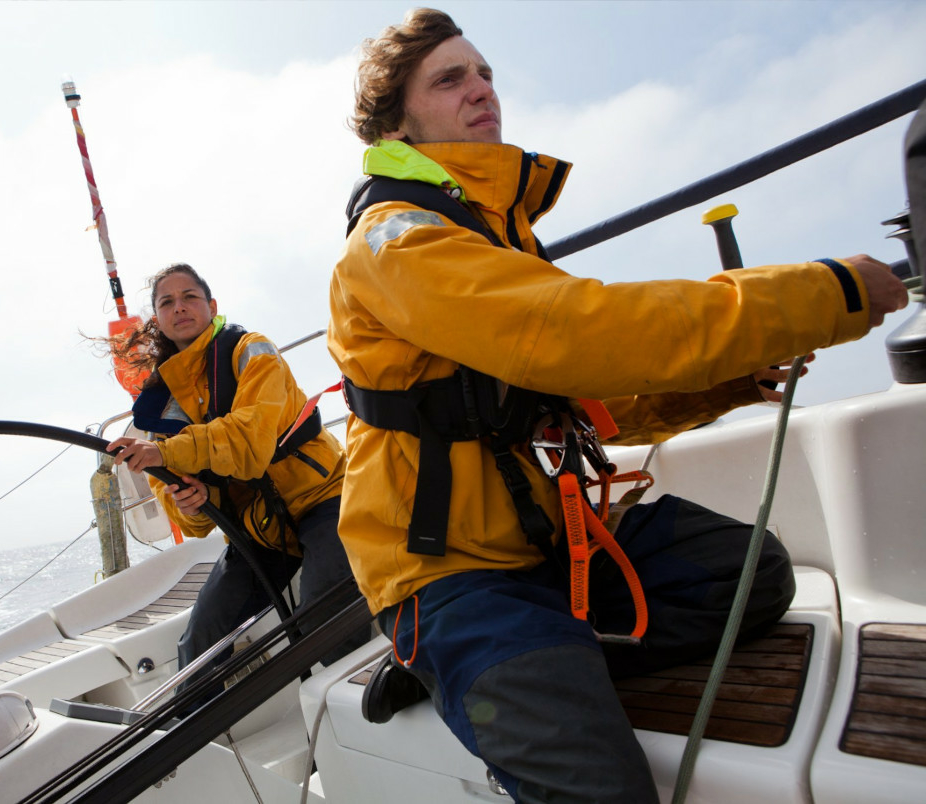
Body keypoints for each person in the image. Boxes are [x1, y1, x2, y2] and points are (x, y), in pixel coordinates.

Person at [327, 9, 909, 803]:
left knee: (751, 575)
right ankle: (469, 660)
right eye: (451, 78)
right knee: (599, 790)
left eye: (485, 72)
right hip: (450, 575)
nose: (481, 89)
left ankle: (525, 661)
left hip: (545, 549)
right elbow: (573, 331)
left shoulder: (497, 237)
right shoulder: (396, 241)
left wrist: (720, 383)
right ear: (400, 117)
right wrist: (825, 293)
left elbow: (577, 396)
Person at [107, 263, 367, 704]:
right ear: (158, 320)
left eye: (189, 296)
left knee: (322, 614)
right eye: (166, 302)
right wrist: (192, 502)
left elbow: (251, 438)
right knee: (200, 641)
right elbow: (194, 527)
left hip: (322, 497)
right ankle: (189, 741)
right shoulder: (159, 406)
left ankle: (375, 705)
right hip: (260, 528)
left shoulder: (252, 351)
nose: (180, 307)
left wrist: (167, 454)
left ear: (211, 307)